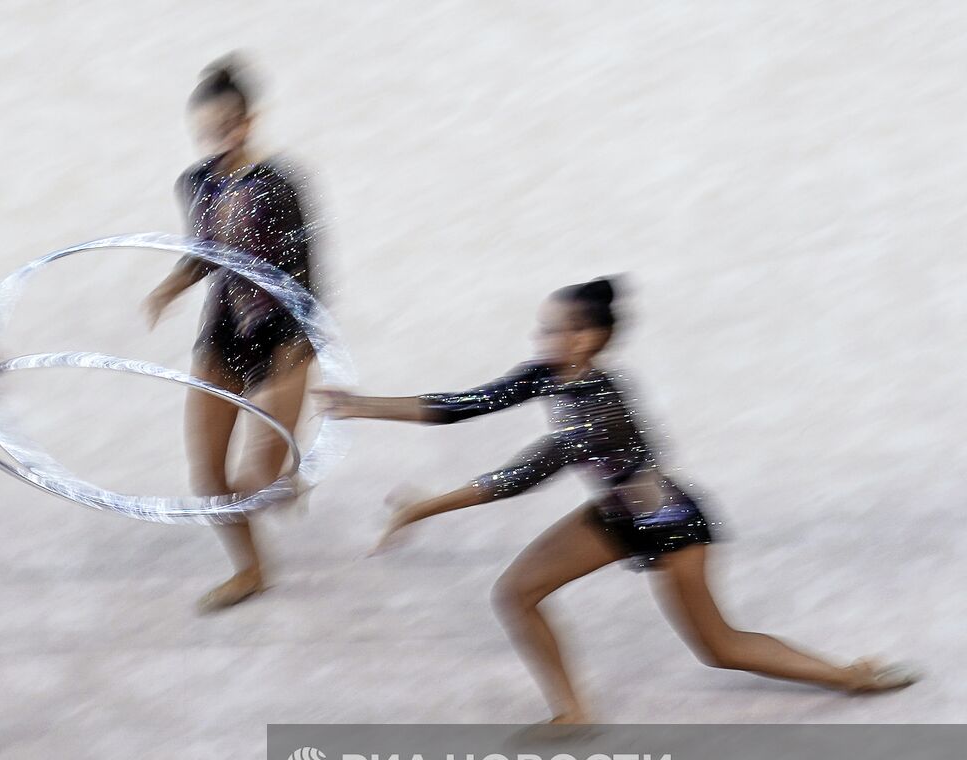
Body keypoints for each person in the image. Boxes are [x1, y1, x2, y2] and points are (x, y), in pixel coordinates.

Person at [318, 277, 918, 723]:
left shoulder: (600, 405)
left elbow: (520, 478)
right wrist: (362, 405)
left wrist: (422, 507)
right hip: (616, 512)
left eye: (552, 329)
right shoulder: (549, 373)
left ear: (588, 338)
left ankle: (850, 676)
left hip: (668, 523)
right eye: (543, 327)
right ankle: (573, 712)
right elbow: (462, 405)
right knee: (517, 593)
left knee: (719, 648)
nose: (540, 337)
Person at [143, 55, 321, 611]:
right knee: (209, 478)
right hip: (222, 335)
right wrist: (170, 286)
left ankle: (289, 466)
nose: (216, 138)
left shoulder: (282, 183)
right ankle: (250, 571)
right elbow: (203, 254)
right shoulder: (194, 182)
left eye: (228, 126)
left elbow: (306, 276)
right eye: (207, 129)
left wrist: (297, 353)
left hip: (284, 334)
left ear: (249, 122)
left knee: (256, 478)